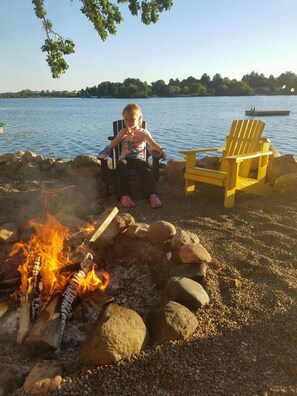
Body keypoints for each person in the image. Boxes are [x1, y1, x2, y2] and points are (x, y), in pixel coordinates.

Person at [109, 103, 166, 208]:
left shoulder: (143, 133)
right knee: (121, 166)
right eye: (126, 119)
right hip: (124, 158)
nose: (128, 122)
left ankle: (152, 195)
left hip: (138, 159)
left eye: (132, 119)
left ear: (139, 119)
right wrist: (120, 137)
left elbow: (153, 144)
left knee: (146, 170)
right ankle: (125, 196)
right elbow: (111, 146)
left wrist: (161, 149)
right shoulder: (122, 131)